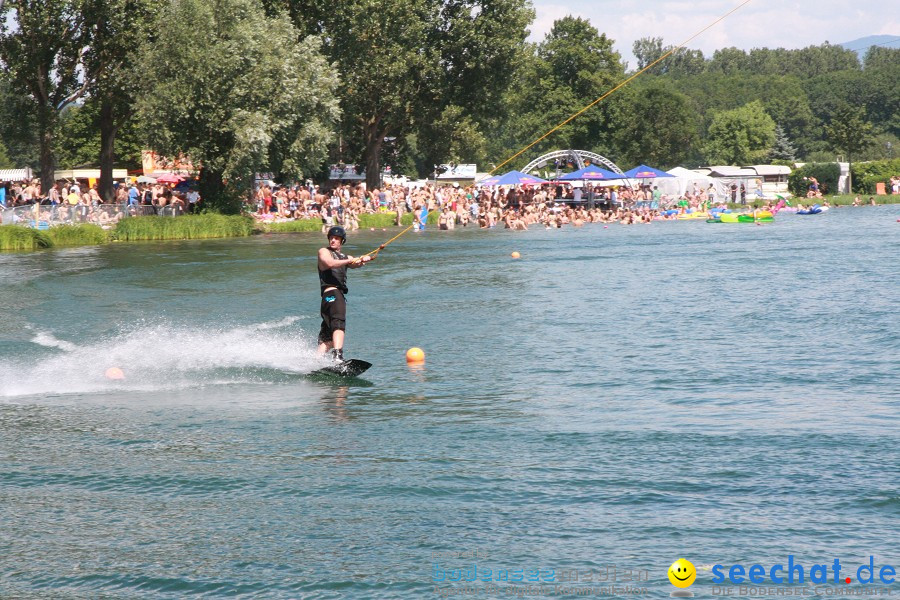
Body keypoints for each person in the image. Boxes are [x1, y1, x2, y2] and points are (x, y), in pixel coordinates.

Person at [317, 225, 374, 362]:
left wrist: (363, 260)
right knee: (339, 324)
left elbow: (355, 263)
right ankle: (338, 356)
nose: (333, 241)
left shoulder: (344, 257)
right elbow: (330, 263)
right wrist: (350, 260)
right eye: (331, 238)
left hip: (330, 299)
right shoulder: (324, 251)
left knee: (328, 339)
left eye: (336, 238)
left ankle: (315, 362)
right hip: (333, 294)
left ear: (342, 241)